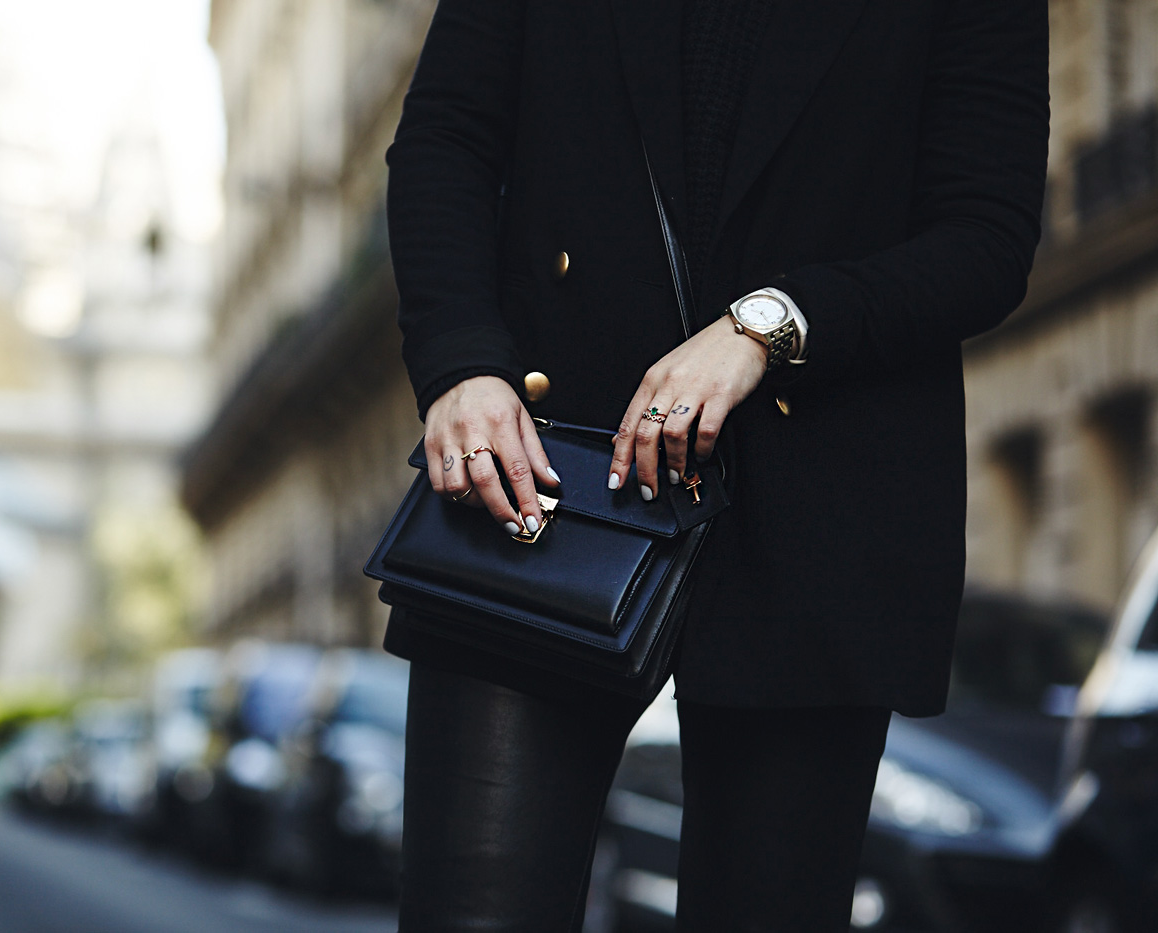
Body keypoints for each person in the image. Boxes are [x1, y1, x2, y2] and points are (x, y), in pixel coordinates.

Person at [382, 0, 1049, 929]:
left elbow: (985, 234)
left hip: (823, 499)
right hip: (541, 476)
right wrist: (461, 364)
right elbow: (447, 135)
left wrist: (771, 325)